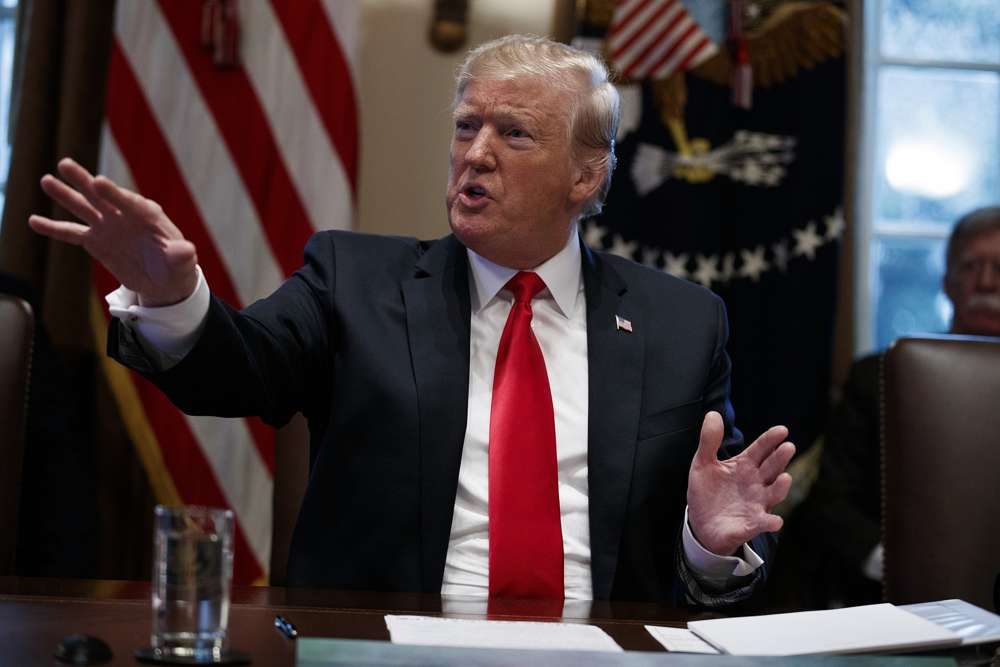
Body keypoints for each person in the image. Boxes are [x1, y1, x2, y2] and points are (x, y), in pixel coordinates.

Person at [28, 35, 794, 605]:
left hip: (599, 648)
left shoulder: (682, 322)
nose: (475, 154)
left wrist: (704, 542)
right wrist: (173, 296)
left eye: (514, 133)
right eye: (467, 127)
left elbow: (708, 535)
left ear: (585, 175)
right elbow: (241, 367)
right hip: (389, 643)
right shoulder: (354, 279)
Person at [799, 205, 1000, 606]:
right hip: (892, 599)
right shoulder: (880, 376)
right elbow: (832, 504)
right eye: (970, 266)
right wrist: (902, 569)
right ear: (946, 282)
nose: (986, 283)